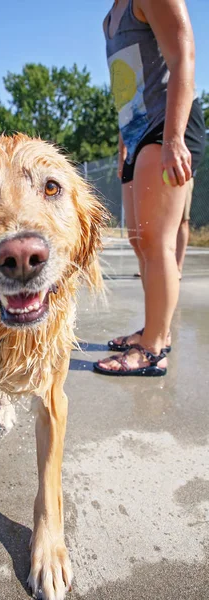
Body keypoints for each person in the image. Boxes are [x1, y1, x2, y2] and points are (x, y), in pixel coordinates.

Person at [94, 0, 206, 376]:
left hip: (167, 126)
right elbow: (129, 81)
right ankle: (153, 329)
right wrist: (123, 133)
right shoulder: (110, 16)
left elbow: (183, 56)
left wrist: (174, 138)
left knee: (157, 240)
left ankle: (154, 347)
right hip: (136, 133)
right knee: (139, 240)